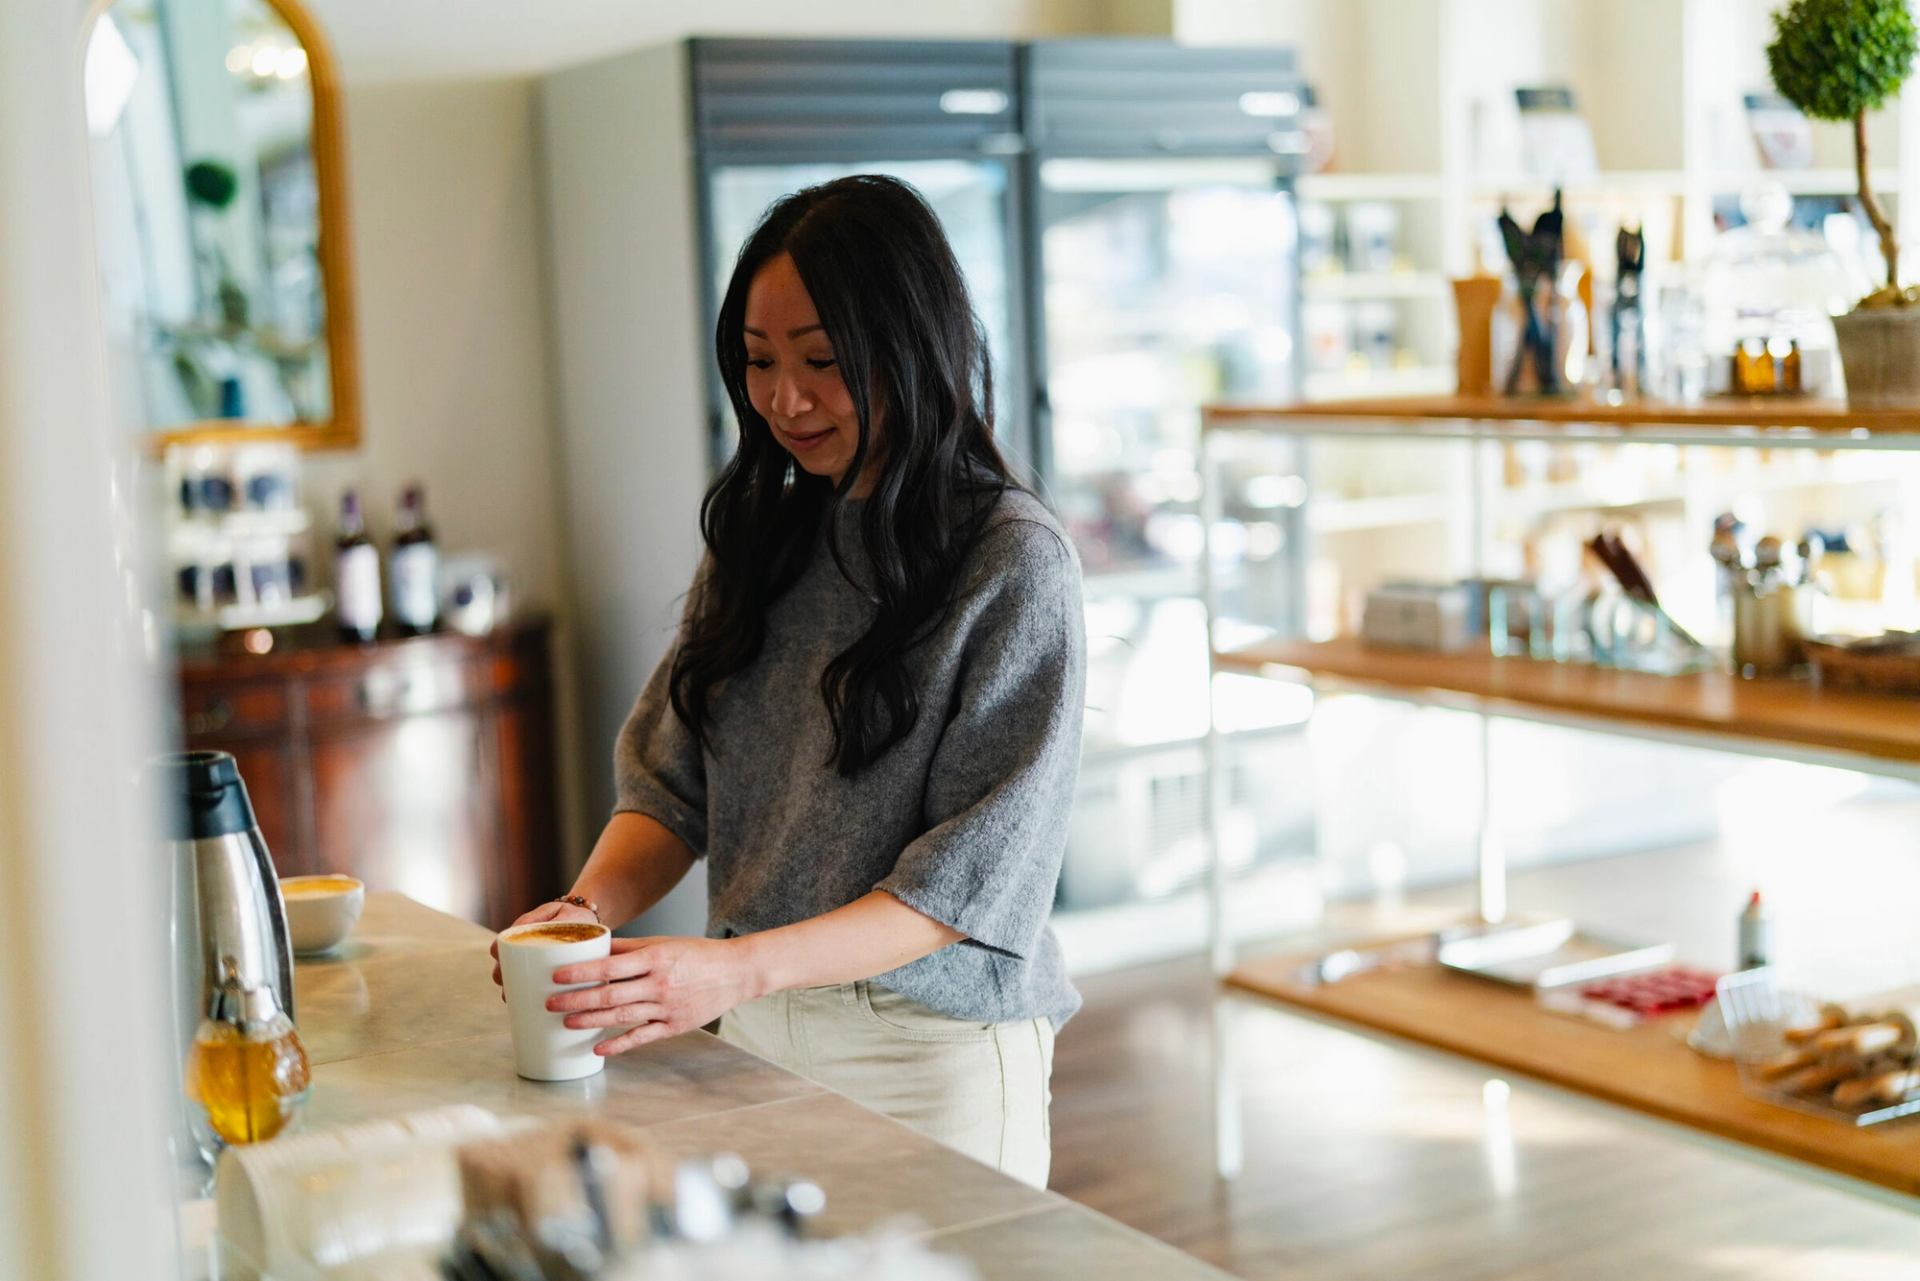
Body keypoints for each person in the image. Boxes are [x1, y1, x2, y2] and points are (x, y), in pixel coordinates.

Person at [490, 175, 1084, 1188]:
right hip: (757, 1033)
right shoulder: (764, 537)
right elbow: (671, 788)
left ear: (911, 346)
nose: (784, 400)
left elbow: (967, 884)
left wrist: (729, 967)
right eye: (759, 362)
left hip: (929, 1050)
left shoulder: (1010, 561)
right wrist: (584, 910)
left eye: (822, 361)